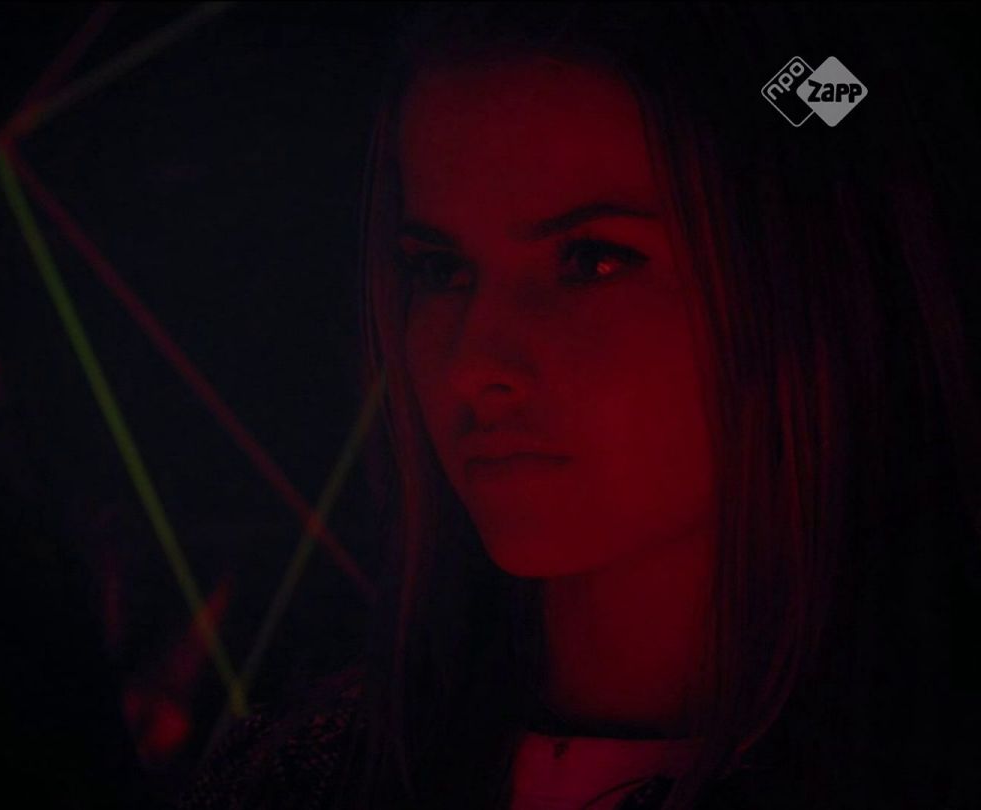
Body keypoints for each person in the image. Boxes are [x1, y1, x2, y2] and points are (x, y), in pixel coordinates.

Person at [179, 3, 981, 808]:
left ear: (816, 284)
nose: (471, 367)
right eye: (440, 270)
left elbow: (850, 108)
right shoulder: (302, 781)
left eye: (593, 260)